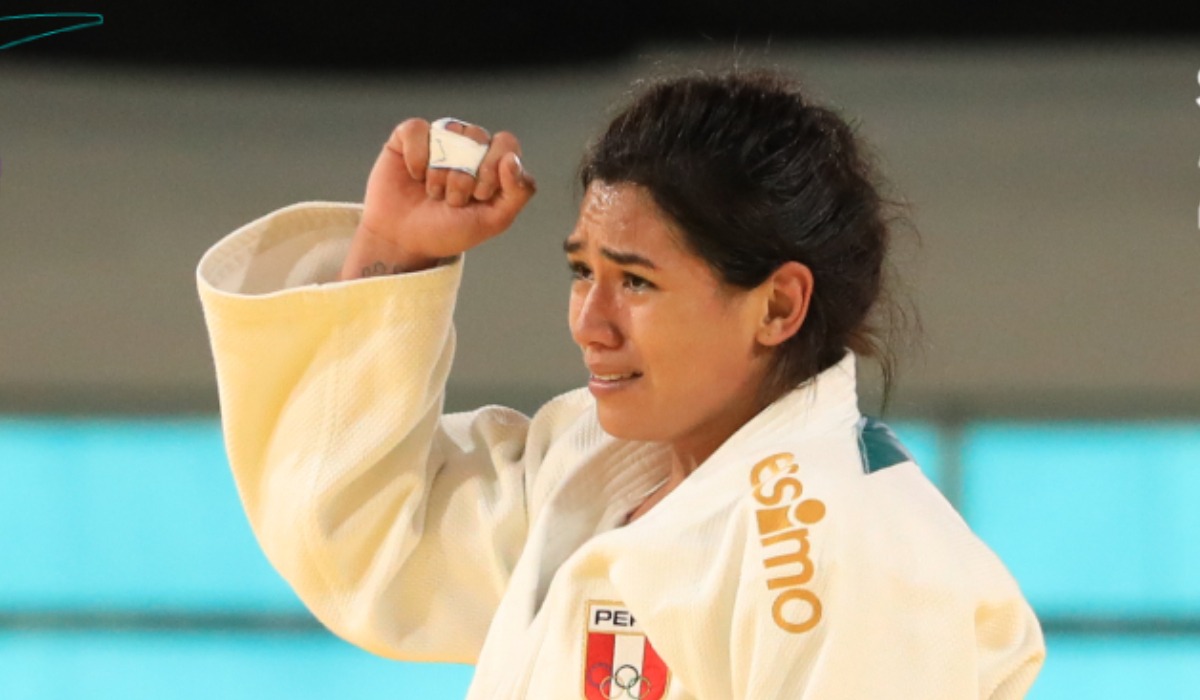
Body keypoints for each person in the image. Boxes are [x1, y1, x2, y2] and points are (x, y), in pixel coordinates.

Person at [197, 71, 1045, 699]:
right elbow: (368, 543)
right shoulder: (596, 467)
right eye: (582, 273)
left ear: (778, 305)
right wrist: (394, 250)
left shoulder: (842, 548)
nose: (590, 323)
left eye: (635, 281)